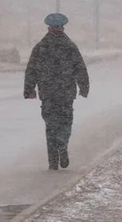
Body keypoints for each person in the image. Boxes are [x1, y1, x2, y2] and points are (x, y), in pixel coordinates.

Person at [24, 13, 90, 170]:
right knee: (65, 123)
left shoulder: (41, 47)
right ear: (62, 28)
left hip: (48, 93)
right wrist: (84, 87)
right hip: (66, 93)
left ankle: (53, 160)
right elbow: (80, 68)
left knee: (50, 125)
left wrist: (29, 89)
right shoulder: (70, 47)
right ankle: (63, 146)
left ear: (49, 28)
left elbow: (31, 70)